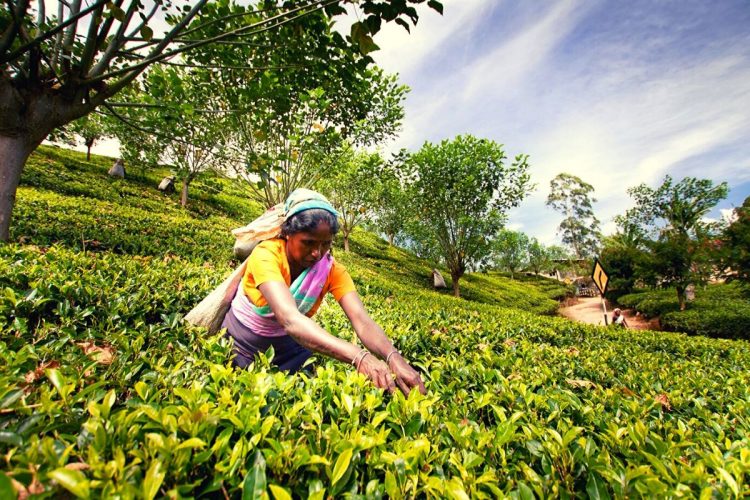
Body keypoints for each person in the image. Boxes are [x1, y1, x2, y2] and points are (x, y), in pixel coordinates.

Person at [222, 189, 426, 396]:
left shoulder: (331, 270)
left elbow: (362, 321)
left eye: (326, 244)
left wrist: (394, 358)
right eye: (308, 242)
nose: (317, 253)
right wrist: (359, 356)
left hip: (290, 351)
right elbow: (289, 319)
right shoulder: (266, 255)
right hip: (242, 346)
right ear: (288, 233)